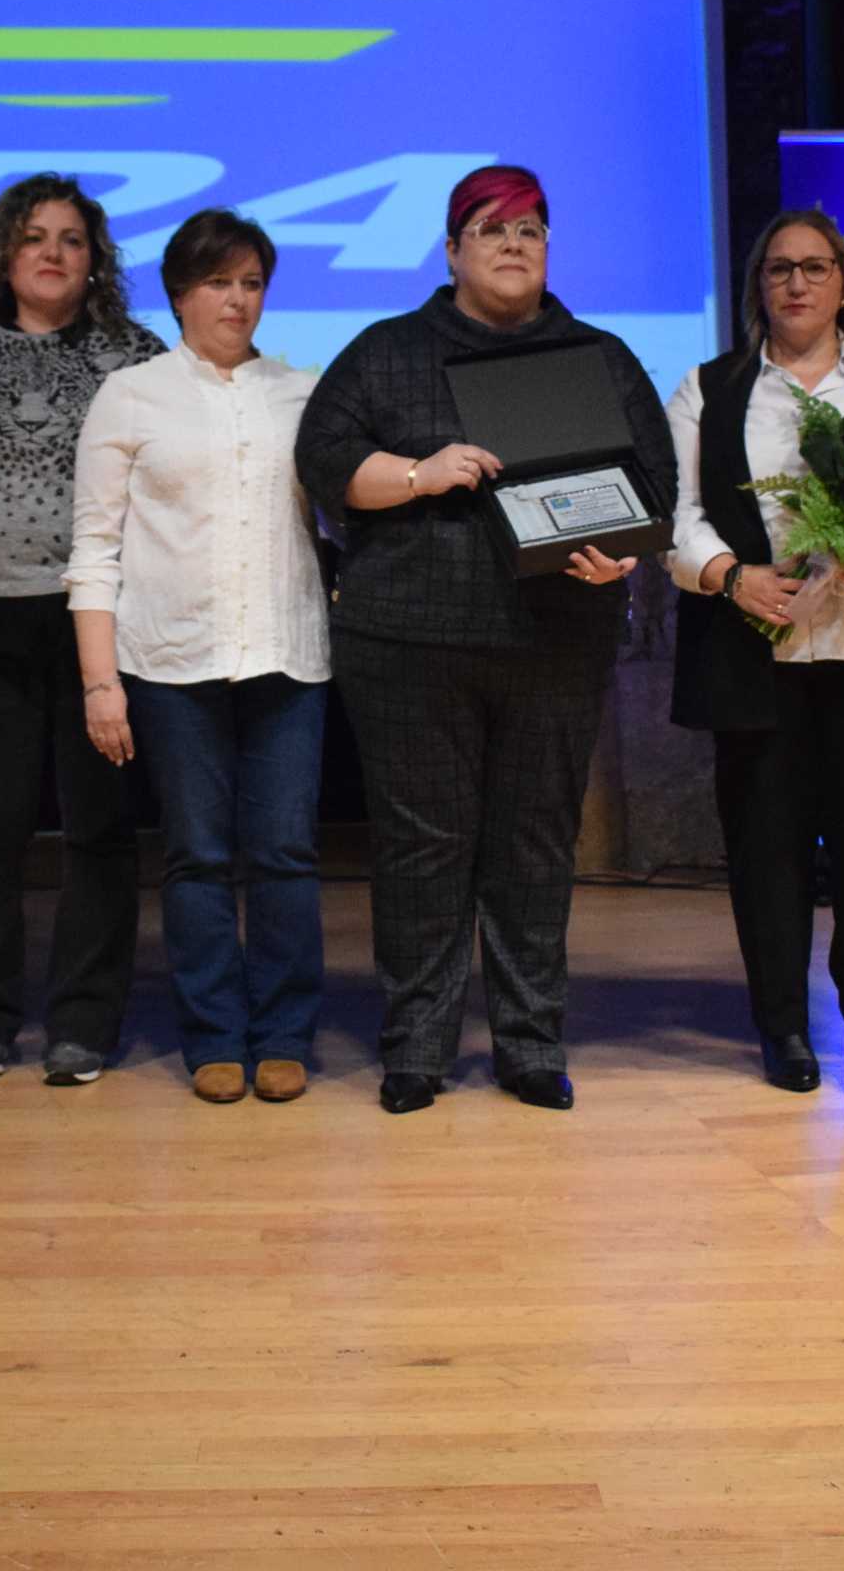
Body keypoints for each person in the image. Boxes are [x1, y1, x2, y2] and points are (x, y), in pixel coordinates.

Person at [296, 163, 675, 1115]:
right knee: (424, 848)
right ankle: (417, 1047)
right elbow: (325, 463)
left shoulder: (601, 355)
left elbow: (653, 487)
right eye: (493, 230)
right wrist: (423, 475)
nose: (515, 246)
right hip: (409, 642)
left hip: (554, 636)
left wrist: (621, 555)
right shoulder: (385, 353)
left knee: (536, 845)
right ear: (455, 248)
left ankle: (529, 1043)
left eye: (532, 232)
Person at [665, 209, 844, 1098]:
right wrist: (727, 576)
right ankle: (783, 1029)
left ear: (843, 284)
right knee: (768, 856)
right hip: (757, 657)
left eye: (815, 267)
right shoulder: (707, 391)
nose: (796, 283)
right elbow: (677, 514)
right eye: (779, 268)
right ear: (759, 286)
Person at [67, 209, 329, 1105]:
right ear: (180, 294)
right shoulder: (131, 394)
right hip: (170, 662)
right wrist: (101, 681)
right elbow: (94, 547)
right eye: (220, 282)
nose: (237, 299)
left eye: (252, 282)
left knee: (288, 853)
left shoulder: (301, 391)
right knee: (198, 856)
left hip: (287, 657)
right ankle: (216, 1034)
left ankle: (286, 1032)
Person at [0, 173, 165, 1084]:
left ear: (94, 258)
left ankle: (84, 1021)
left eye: (72, 238)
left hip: (95, 624)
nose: (53, 253)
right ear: (3, 253)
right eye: (34, 236)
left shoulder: (135, 357)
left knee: (100, 832)